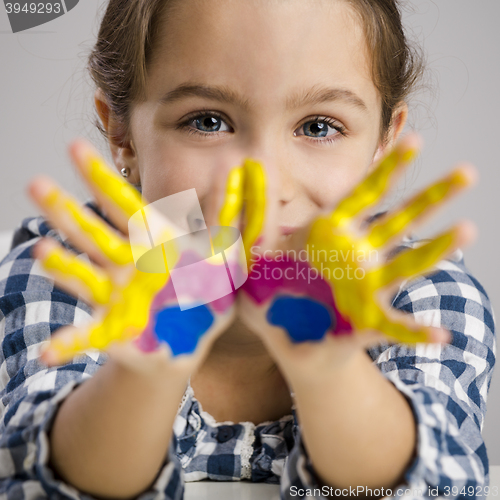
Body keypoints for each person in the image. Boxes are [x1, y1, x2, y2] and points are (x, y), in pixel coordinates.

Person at [0, 0, 495, 499]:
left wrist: (330, 367)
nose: (264, 181)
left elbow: (438, 485)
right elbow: (46, 479)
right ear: (122, 135)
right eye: (208, 121)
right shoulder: (70, 272)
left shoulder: (417, 291)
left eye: (319, 126)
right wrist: (146, 365)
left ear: (381, 145)